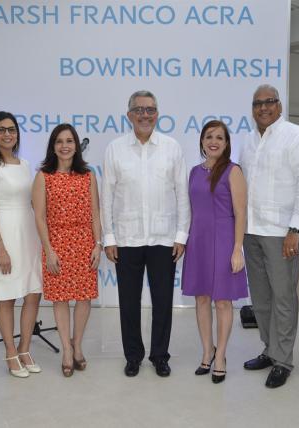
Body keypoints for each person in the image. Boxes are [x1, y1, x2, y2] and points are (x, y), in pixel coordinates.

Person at [101, 90, 190, 378]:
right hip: (127, 239)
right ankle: (133, 356)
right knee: (128, 302)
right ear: (129, 115)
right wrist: (109, 237)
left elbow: (181, 194)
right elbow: (107, 196)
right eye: (139, 110)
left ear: (157, 114)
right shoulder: (115, 148)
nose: (145, 115)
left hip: (164, 239)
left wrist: (181, 235)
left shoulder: (172, 147)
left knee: (163, 302)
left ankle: (160, 356)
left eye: (150, 109)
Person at [239, 84, 299, 388]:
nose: (263, 108)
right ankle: (269, 350)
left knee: (283, 298)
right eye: (257, 103)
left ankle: (283, 360)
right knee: (261, 299)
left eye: (269, 102)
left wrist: (295, 230)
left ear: (279, 105)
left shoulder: (296, 137)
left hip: (282, 234)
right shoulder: (247, 141)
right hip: (252, 232)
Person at [181, 120, 248, 384]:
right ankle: (206, 352)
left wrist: (237, 249)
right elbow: (191, 209)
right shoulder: (194, 172)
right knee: (201, 299)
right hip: (198, 240)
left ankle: (221, 356)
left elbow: (241, 213)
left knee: (222, 301)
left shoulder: (233, 171)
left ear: (227, 143)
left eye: (220, 137)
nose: (214, 141)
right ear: (201, 141)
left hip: (223, 242)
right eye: (209, 136)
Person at [0, 111, 43, 378]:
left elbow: (33, 203)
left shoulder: (25, 164)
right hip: (3, 234)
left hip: (28, 234)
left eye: (12, 129)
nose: (7, 134)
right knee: (7, 297)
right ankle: (10, 352)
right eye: (1, 129)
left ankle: (25, 348)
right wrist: (0, 248)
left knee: (32, 292)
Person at [32, 123, 101, 377]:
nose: (65, 146)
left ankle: (78, 345)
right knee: (60, 299)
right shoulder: (43, 176)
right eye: (59, 141)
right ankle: (66, 350)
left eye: (69, 141)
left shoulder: (88, 175)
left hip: (84, 243)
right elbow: (39, 217)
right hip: (57, 244)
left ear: (76, 145)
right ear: (53, 146)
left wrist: (98, 244)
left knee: (84, 298)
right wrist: (48, 250)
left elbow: (95, 214)